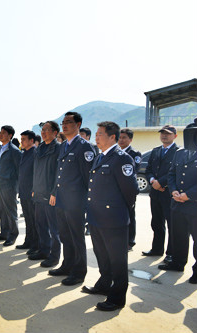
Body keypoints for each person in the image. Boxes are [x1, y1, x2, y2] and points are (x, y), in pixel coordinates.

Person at [82, 121, 138, 312]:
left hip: (114, 220)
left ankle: (117, 297)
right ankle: (104, 284)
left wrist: (118, 210)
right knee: (102, 256)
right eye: (96, 134)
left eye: (99, 134)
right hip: (97, 218)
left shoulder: (121, 159)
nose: (96, 137)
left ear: (112, 137)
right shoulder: (100, 157)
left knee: (117, 260)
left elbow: (131, 191)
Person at [50, 112, 95, 286]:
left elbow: (88, 177)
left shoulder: (85, 147)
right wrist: (54, 192)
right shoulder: (63, 146)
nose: (65, 125)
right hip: (61, 199)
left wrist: (86, 201)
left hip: (75, 201)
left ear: (78, 124)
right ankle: (67, 265)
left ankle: (78, 272)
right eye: (63, 122)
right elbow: (58, 173)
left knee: (76, 237)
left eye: (69, 122)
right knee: (65, 235)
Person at [158, 119, 197, 284]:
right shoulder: (180, 153)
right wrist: (173, 190)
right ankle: (178, 263)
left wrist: (189, 195)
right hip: (177, 203)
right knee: (178, 236)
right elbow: (172, 173)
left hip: (194, 204)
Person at [143, 125, 179, 263]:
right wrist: (153, 181)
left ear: (175, 136)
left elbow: (175, 171)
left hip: (169, 193)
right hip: (155, 193)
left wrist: (162, 183)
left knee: (172, 224)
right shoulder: (156, 151)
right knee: (157, 223)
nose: (164, 136)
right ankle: (157, 249)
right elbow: (149, 169)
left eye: (168, 134)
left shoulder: (178, 152)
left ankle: (171, 253)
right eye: (162, 133)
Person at [32, 121, 62, 268]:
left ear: (55, 133)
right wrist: (34, 188)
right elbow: (36, 170)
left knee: (53, 228)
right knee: (40, 224)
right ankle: (44, 250)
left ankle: (54, 256)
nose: (43, 133)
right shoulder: (40, 148)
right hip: (38, 193)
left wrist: (54, 192)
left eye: (47, 130)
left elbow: (59, 173)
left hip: (50, 194)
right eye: (42, 130)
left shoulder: (58, 148)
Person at [0, 125, 22, 246]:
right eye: (0, 132)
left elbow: (19, 169)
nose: (0, 135)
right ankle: (4, 232)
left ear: (10, 136)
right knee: (1, 210)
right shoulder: (0, 149)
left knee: (11, 211)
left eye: (3, 133)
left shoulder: (14, 150)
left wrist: (16, 187)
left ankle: (13, 235)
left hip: (9, 185)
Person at [118, 128, 142, 250]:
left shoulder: (135, 154)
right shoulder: (115, 152)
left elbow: (134, 170)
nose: (121, 140)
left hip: (128, 190)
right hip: (116, 191)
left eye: (124, 138)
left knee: (130, 216)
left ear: (130, 139)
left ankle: (130, 241)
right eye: (120, 137)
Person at [16, 130, 38, 251]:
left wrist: (34, 189)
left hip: (32, 192)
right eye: (21, 139)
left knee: (34, 221)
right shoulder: (24, 152)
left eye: (24, 139)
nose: (21, 141)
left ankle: (36, 244)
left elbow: (37, 173)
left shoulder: (35, 153)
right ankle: (28, 241)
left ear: (31, 140)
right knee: (28, 219)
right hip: (24, 191)